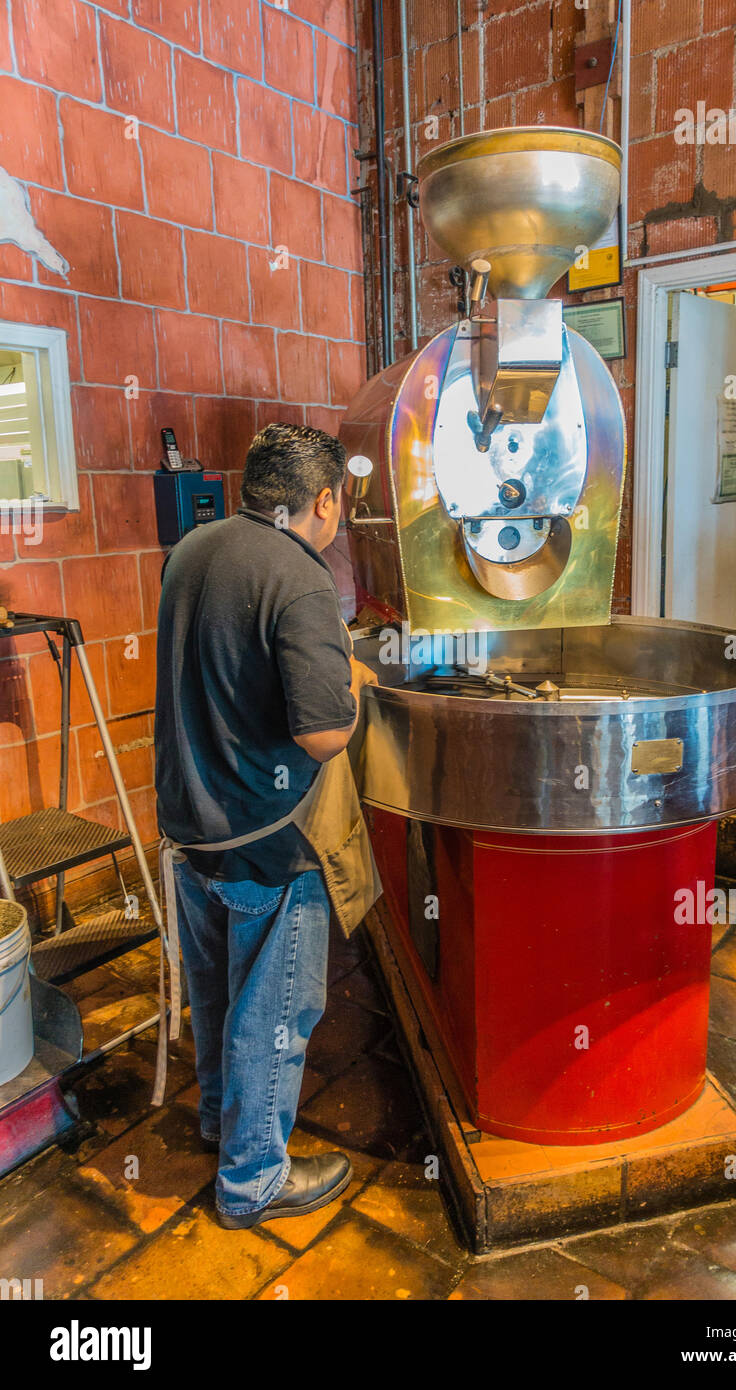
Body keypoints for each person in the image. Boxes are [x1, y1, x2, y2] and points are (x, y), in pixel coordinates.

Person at [154, 422, 377, 1229]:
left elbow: (223, 669)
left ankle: (223, 1123)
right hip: (267, 832)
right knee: (275, 1012)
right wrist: (350, 676)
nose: (341, 519)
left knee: (215, 995)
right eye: (342, 506)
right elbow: (323, 732)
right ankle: (254, 1180)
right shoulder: (299, 575)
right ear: (323, 500)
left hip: (192, 822)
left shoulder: (193, 548)